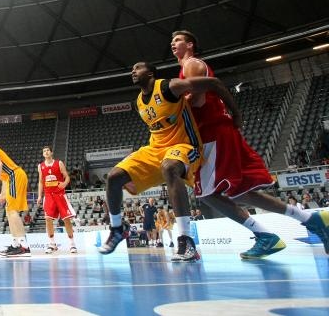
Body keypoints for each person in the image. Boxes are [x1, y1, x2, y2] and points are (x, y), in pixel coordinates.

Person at [172, 30, 329, 258]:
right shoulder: (186, 68)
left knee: (206, 194)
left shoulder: (192, 64)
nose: (173, 44)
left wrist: (170, 110)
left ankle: (265, 235)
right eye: (172, 41)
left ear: (190, 45)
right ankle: (310, 219)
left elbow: (197, 99)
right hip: (218, 132)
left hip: (212, 133)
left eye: (178, 40)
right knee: (241, 193)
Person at [99, 62, 207, 261]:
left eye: (137, 68)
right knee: (113, 177)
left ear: (150, 73)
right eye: (132, 69)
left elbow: (213, 82)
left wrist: (234, 113)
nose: (133, 71)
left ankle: (186, 240)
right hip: (156, 149)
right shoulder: (139, 101)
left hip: (184, 145)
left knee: (171, 167)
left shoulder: (168, 87)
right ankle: (117, 228)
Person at [36, 146, 77, 254]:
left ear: (51, 152)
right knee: (48, 219)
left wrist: (64, 184)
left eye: (47, 150)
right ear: (43, 154)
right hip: (48, 195)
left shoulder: (59, 163)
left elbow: (67, 177)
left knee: (66, 219)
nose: (46, 152)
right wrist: (39, 195)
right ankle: (52, 244)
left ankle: (72, 244)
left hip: (59, 194)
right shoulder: (40, 166)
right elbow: (40, 182)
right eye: (44, 151)